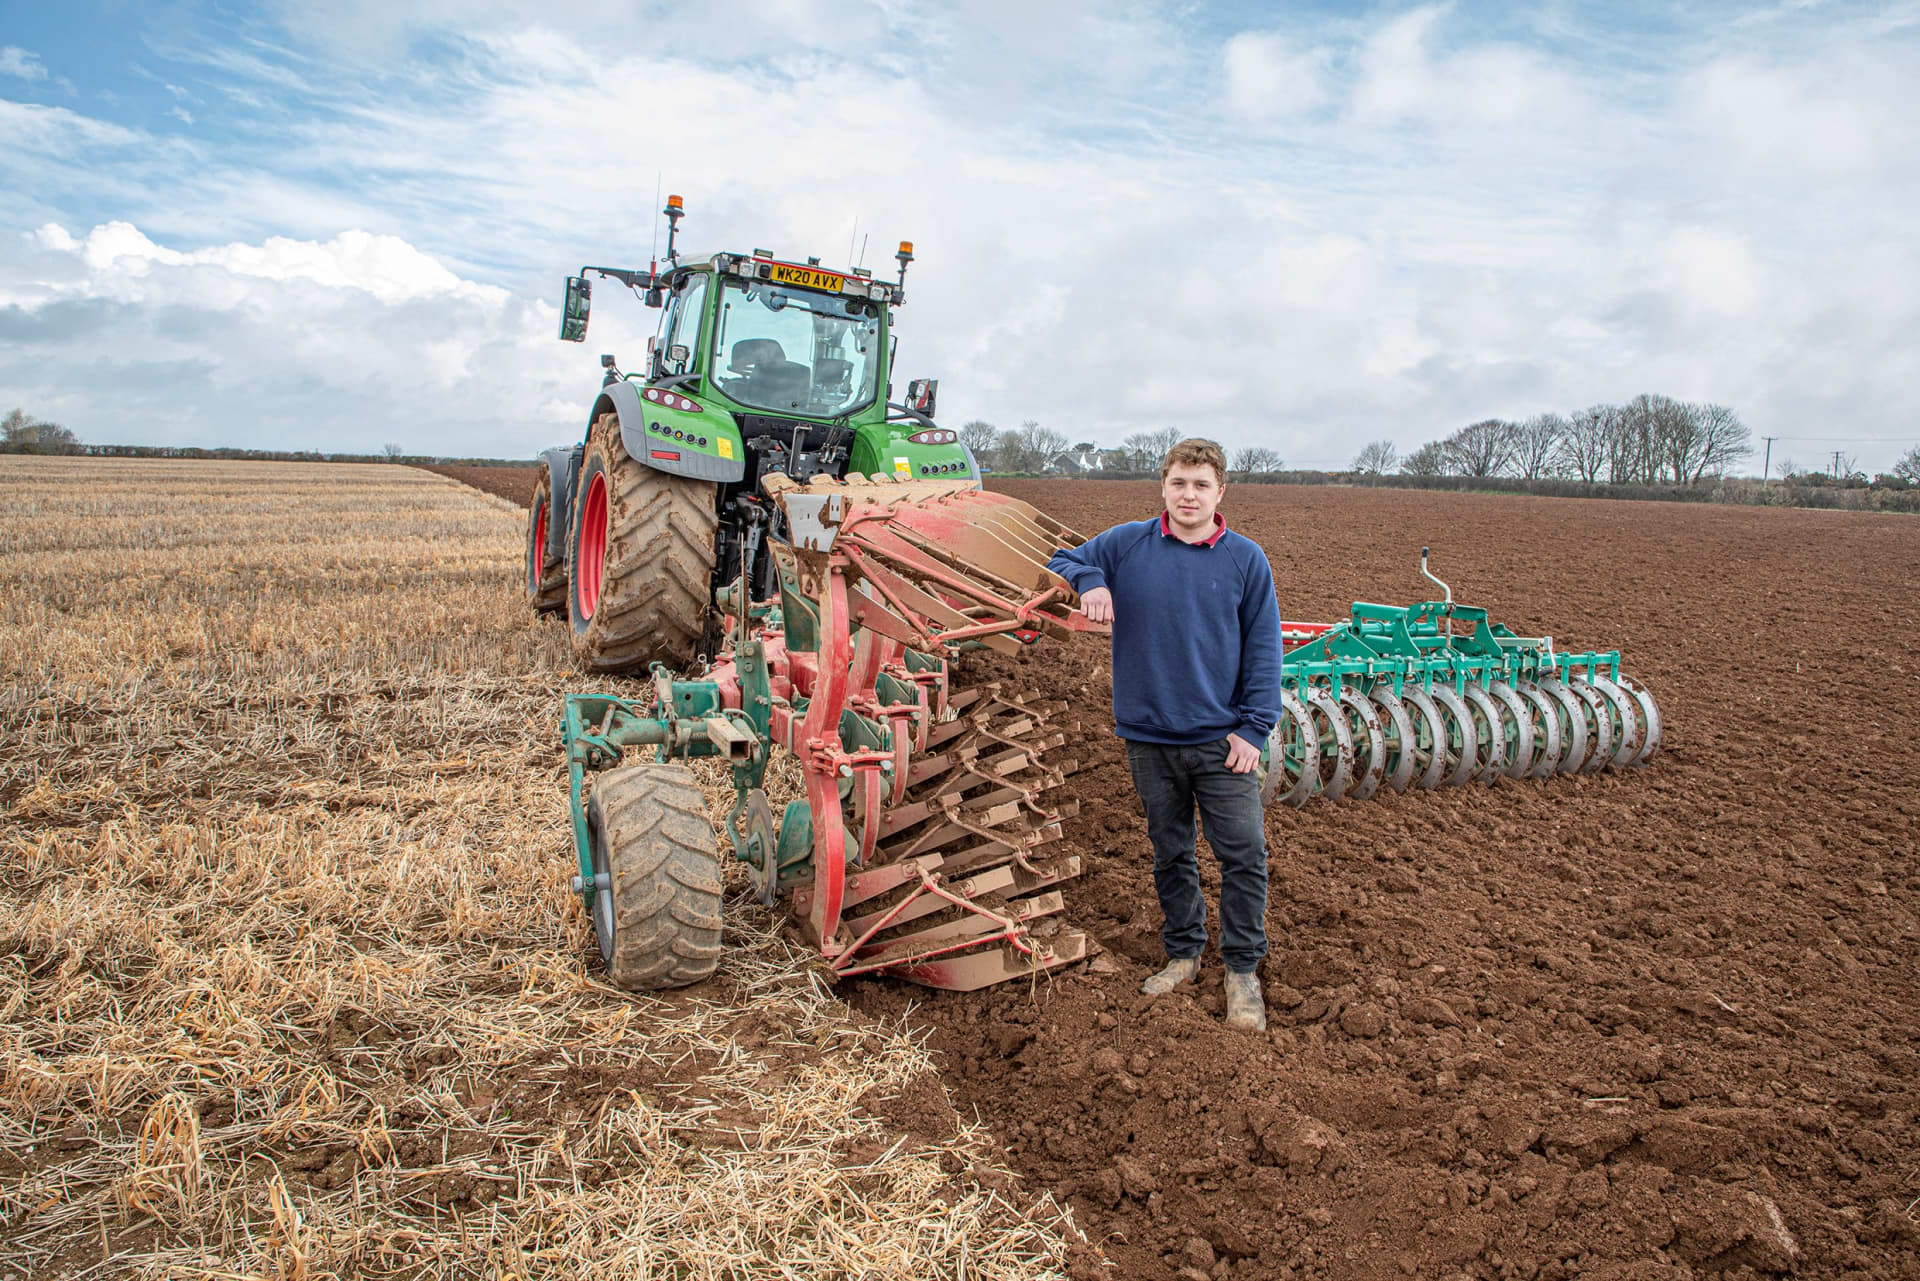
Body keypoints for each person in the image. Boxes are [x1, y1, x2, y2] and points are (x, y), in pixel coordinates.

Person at [1047, 438, 1282, 1032]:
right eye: (1179, 483)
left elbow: (1264, 649)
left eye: (1201, 485)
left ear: (1220, 492)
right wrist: (1091, 582)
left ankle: (1241, 971)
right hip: (1149, 737)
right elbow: (1061, 559)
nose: (1188, 495)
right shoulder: (1129, 543)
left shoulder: (1245, 559)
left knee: (1244, 856)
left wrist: (1254, 727)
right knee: (1170, 853)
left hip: (1222, 740)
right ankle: (1183, 954)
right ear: (1164, 486)